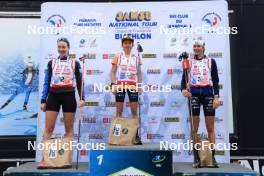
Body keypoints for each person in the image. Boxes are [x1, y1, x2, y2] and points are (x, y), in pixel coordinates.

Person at [38, 37, 84, 167]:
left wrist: (82, 98)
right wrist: (43, 100)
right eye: (59, 47)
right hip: (53, 95)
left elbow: (80, 82)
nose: (61, 49)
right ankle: (44, 159)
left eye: (64, 47)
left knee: (69, 129)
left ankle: (65, 159)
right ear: (57, 48)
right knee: (48, 128)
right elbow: (46, 82)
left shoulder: (75, 63)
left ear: (68, 48)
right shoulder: (51, 62)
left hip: (69, 95)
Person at [181, 38, 221, 167]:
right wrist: (183, 90)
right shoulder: (188, 62)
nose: (196, 48)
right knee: (194, 128)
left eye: (199, 46)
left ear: (203, 47)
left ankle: (212, 158)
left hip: (208, 94)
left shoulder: (211, 61)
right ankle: (196, 158)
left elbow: (215, 80)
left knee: (210, 128)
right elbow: (184, 80)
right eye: (194, 46)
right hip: (194, 94)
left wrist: (216, 97)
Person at [111, 35, 142, 143]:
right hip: (120, 85)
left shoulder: (136, 57)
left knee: (134, 112)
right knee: (119, 112)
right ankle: (116, 136)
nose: (127, 45)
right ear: (122, 45)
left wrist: (140, 85)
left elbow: (140, 72)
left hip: (133, 85)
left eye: (129, 43)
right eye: (125, 43)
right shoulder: (117, 56)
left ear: (132, 45)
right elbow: (113, 72)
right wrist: (113, 84)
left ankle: (135, 137)